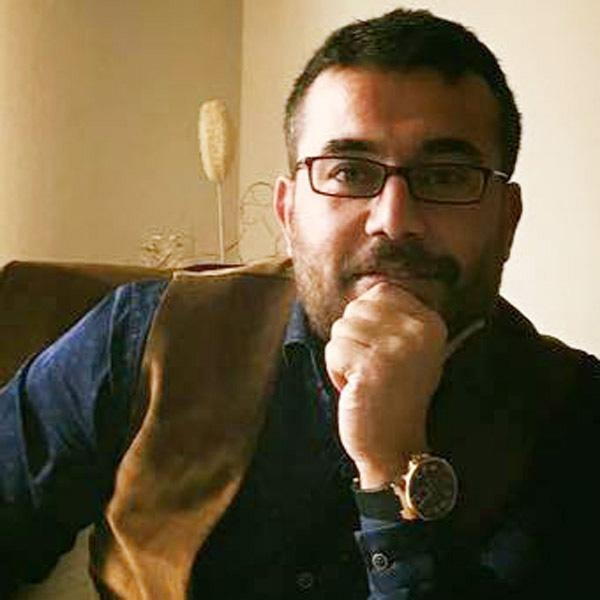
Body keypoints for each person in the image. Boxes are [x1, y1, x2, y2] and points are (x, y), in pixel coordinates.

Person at [1, 7, 598, 599]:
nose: (394, 221)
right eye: (349, 172)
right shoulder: (142, 337)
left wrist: (394, 465)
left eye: (445, 177)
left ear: (507, 220)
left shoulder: (572, 413)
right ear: (287, 212)